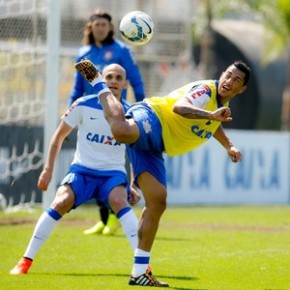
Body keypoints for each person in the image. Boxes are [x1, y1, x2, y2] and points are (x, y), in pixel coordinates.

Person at [74, 59, 251, 287]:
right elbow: (180, 108)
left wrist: (229, 145)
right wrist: (212, 116)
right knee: (121, 131)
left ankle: (139, 272)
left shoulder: (218, 108)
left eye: (236, 80)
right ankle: (98, 83)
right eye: (228, 74)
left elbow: (213, 125)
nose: (229, 81)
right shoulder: (207, 90)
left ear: (242, 89)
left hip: (157, 145)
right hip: (153, 115)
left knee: (157, 201)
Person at [9, 64, 141, 275]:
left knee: (119, 201)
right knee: (60, 201)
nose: (114, 81)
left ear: (125, 83)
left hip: (112, 174)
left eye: (119, 78)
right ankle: (25, 261)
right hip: (82, 171)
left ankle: (143, 265)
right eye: (109, 77)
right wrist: (48, 170)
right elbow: (58, 137)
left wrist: (134, 185)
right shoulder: (83, 104)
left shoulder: (132, 112)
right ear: (101, 80)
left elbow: (137, 151)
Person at [69, 8, 145, 236]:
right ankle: (105, 220)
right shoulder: (84, 52)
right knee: (92, 161)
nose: (100, 28)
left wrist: (141, 107)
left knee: (112, 160)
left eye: (104, 24)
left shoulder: (122, 50)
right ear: (90, 27)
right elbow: (77, 87)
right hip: (90, 112)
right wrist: (70, 108)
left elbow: (135, 80)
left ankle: (115, 213)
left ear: (111, 28)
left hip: (116, 113)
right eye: (96, 24)